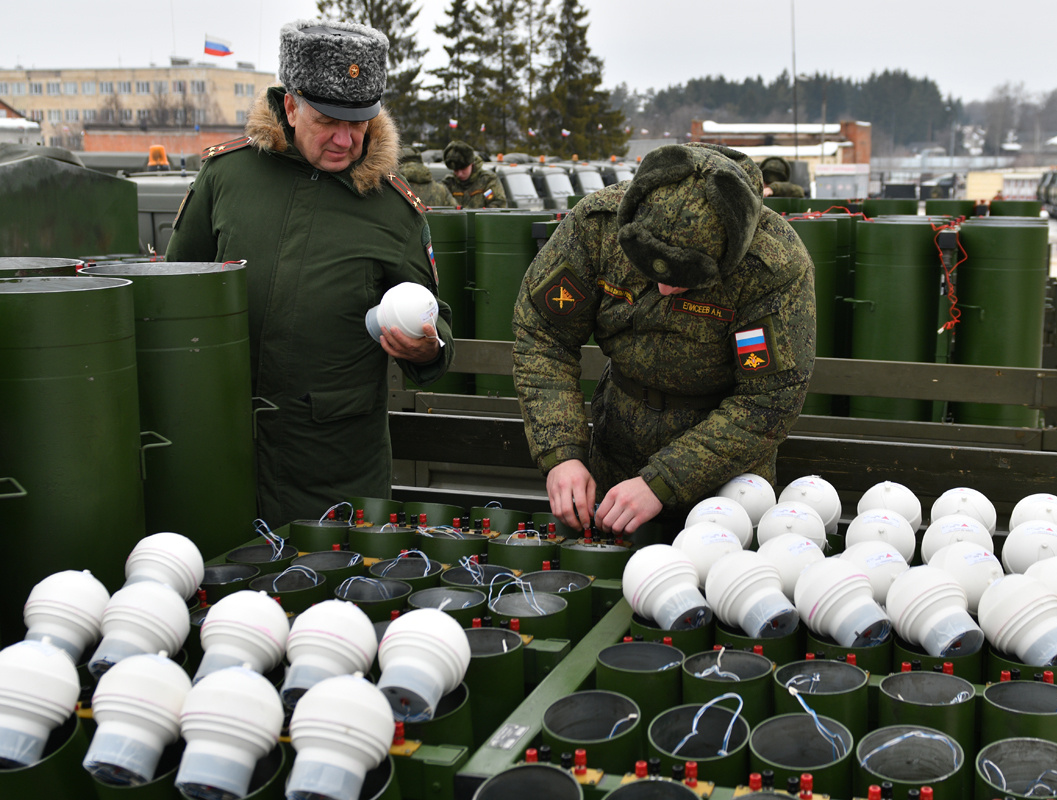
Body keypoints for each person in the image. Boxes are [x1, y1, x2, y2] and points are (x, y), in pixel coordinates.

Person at [166, 19, 455, 526]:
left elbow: (436, 321)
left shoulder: (393, 208)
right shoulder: (227, 177)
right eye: (329, 121)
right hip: (220, 452)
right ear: (291, 105)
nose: (346, 139)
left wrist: (430, 347)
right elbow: (172, 294)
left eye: (360, 122)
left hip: (335, 469)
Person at [511, 142, 816, 537]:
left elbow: (771, 398)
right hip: (614, 447)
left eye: (686, 280)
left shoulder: (773, 266)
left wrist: (665, 479)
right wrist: (562, 451)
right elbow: (543, 335)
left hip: (724, 481)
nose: (665, 289)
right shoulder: (598, 226)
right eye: (650, 271)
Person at [442, 140, 506, 208]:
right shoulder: (449, 184)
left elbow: (498, 203)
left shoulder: (487, 181)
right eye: (456, 170)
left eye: (463, 169)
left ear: (471, 164)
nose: (459, 174)